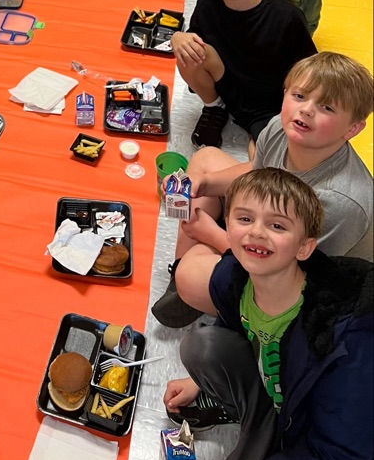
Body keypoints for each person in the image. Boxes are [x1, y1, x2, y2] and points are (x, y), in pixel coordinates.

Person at [164, 168, 373, 460]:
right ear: (228, 230)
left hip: (308, 435)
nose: (257, 233)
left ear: (305, 247)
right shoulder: (230, 277)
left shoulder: (341, 336)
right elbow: (233, 327)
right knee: (200, 345)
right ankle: (252, 420)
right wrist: (199, 382)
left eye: (277, 225)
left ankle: (262, 437)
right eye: (245, 219)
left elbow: (344, 458)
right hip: (274, 401)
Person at [154, 52, 373, 328]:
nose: (305, 110)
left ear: (352, 128)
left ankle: (195, 283)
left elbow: (295, 272)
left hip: (307, 282)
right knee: (205, 160)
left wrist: (212, 234)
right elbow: (256, 173)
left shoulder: (337, 200)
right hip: (273, 229)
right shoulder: (280, 129)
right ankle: (185, 284)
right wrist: (205, 184)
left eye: (327, 108)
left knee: (192, 274)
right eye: (300, 96)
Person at [169, 0, 316, 151]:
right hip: (228, 87)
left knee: (264, 158)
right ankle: (215, 107)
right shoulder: (206, 8)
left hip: (270, 105)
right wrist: (178, 37)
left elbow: (310, 72)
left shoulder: (286, 17)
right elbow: (194, 43)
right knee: (190, 50)